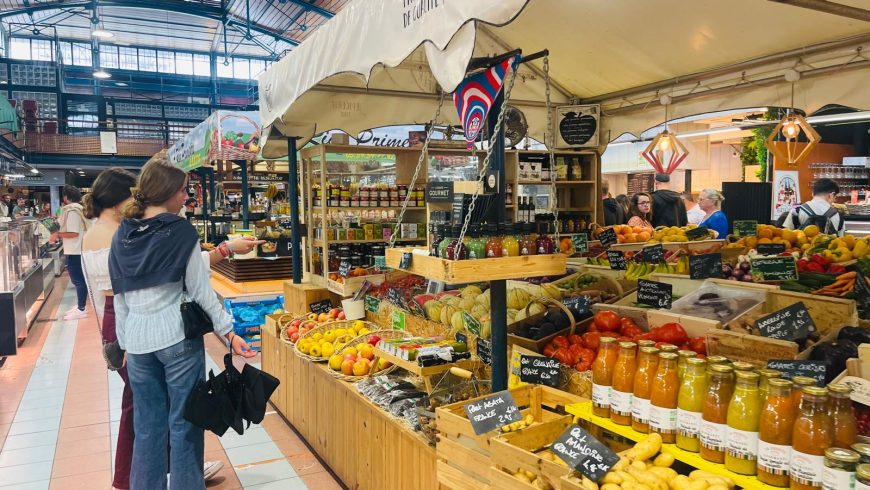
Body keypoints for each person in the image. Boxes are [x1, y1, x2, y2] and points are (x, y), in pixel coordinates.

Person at [109, 158, 256, 490]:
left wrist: (125, 344)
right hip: (177, 340)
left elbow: (120, 297)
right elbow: (202, 292)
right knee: (185, 424)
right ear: (166, 192)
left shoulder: (123, 235)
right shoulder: (180, 232)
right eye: (183, 190)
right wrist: (228, 332)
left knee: (147, 427)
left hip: (139, 345)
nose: (186, 197)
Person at [54, 185, 89, 320]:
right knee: (79, 280)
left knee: (78, 281)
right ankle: (81, 306)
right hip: (77, 250)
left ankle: (81, 309)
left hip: (76, 251)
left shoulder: (73, 211)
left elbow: (73, 233)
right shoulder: (79, 209)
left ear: (66, 197)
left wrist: (57, 234)